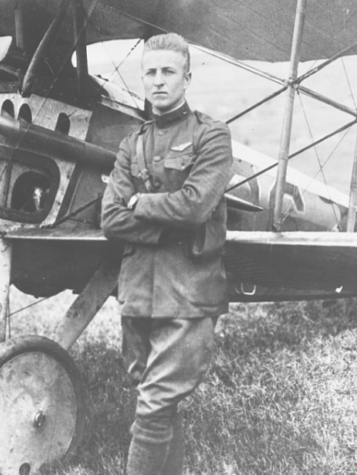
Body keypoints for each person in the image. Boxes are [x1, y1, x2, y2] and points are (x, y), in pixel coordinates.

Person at [101, 33, 233, 475]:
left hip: (188, 291)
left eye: (169, 72)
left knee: (154, 406)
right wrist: (166, 222)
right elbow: (110, 219)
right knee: (154, 397)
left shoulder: (211, 137)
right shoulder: (130, 145)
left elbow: (196, 205)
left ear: (187, 78)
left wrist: (141, 204)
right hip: (138, 293)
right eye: (151, 73)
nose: (159, 81)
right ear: (143, 80)